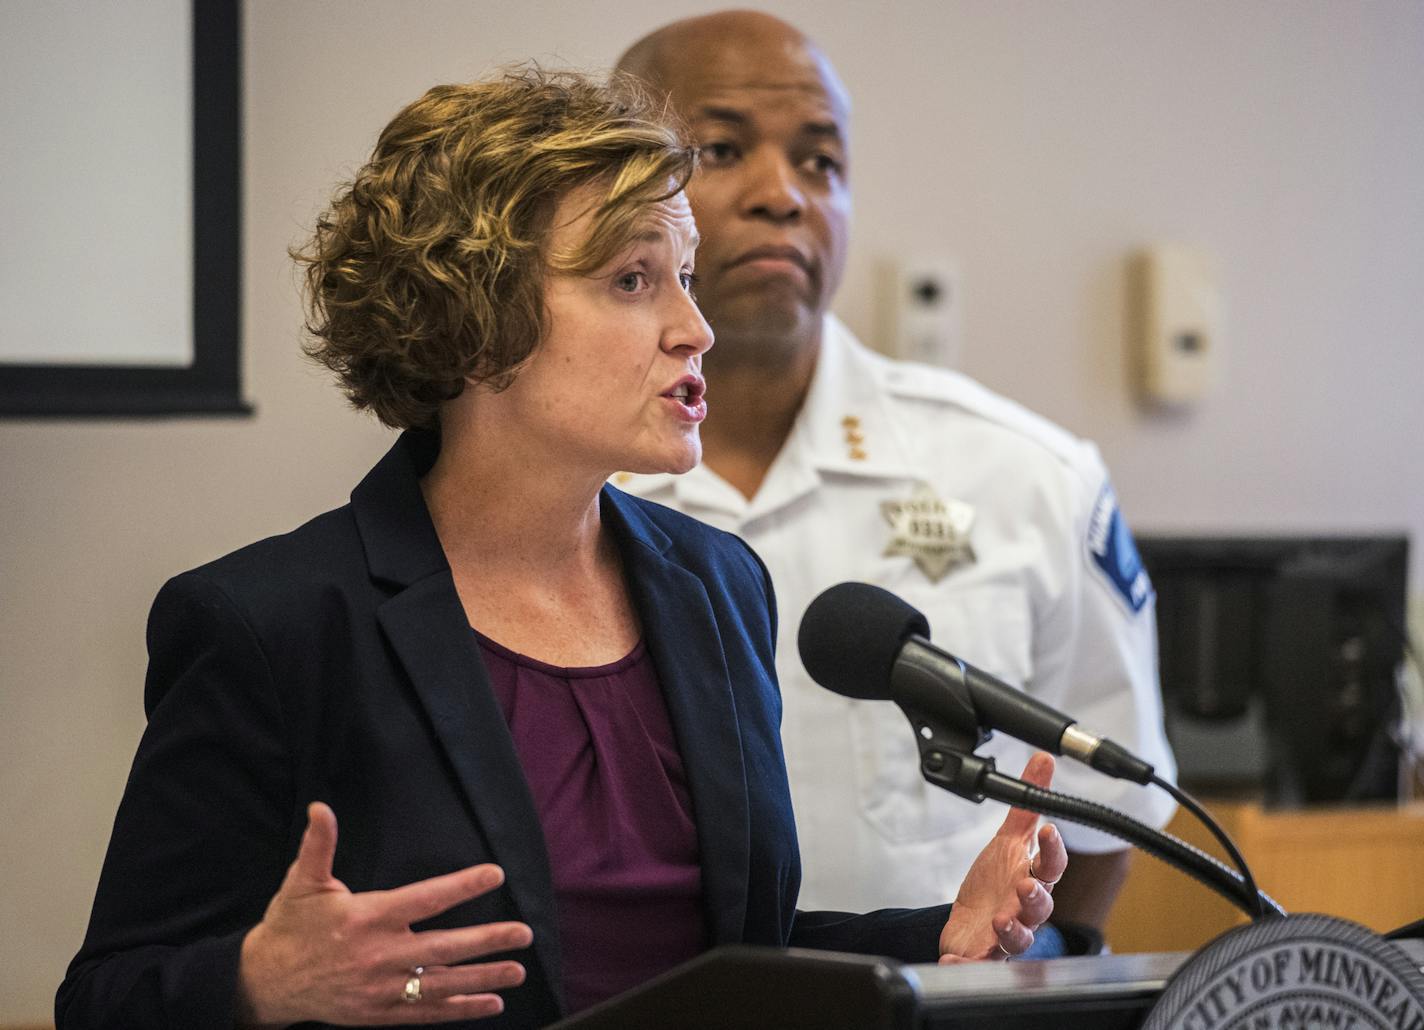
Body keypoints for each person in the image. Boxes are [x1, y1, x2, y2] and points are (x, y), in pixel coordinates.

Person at [56, 69, 1067, 1030]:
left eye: (685, 277)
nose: (695, 328)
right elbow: (107, 998)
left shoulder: (718, 587)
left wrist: (938, 936)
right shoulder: (271, 625)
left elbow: (719, 965)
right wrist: (257, 980)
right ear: (473, 316)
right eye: (632, 278)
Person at [613, 11, 1177, 935]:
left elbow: (1106, 810)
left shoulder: (1027, 475)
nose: (783, 194)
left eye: (821, 162)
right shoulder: (560, 490)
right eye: (719, 149)